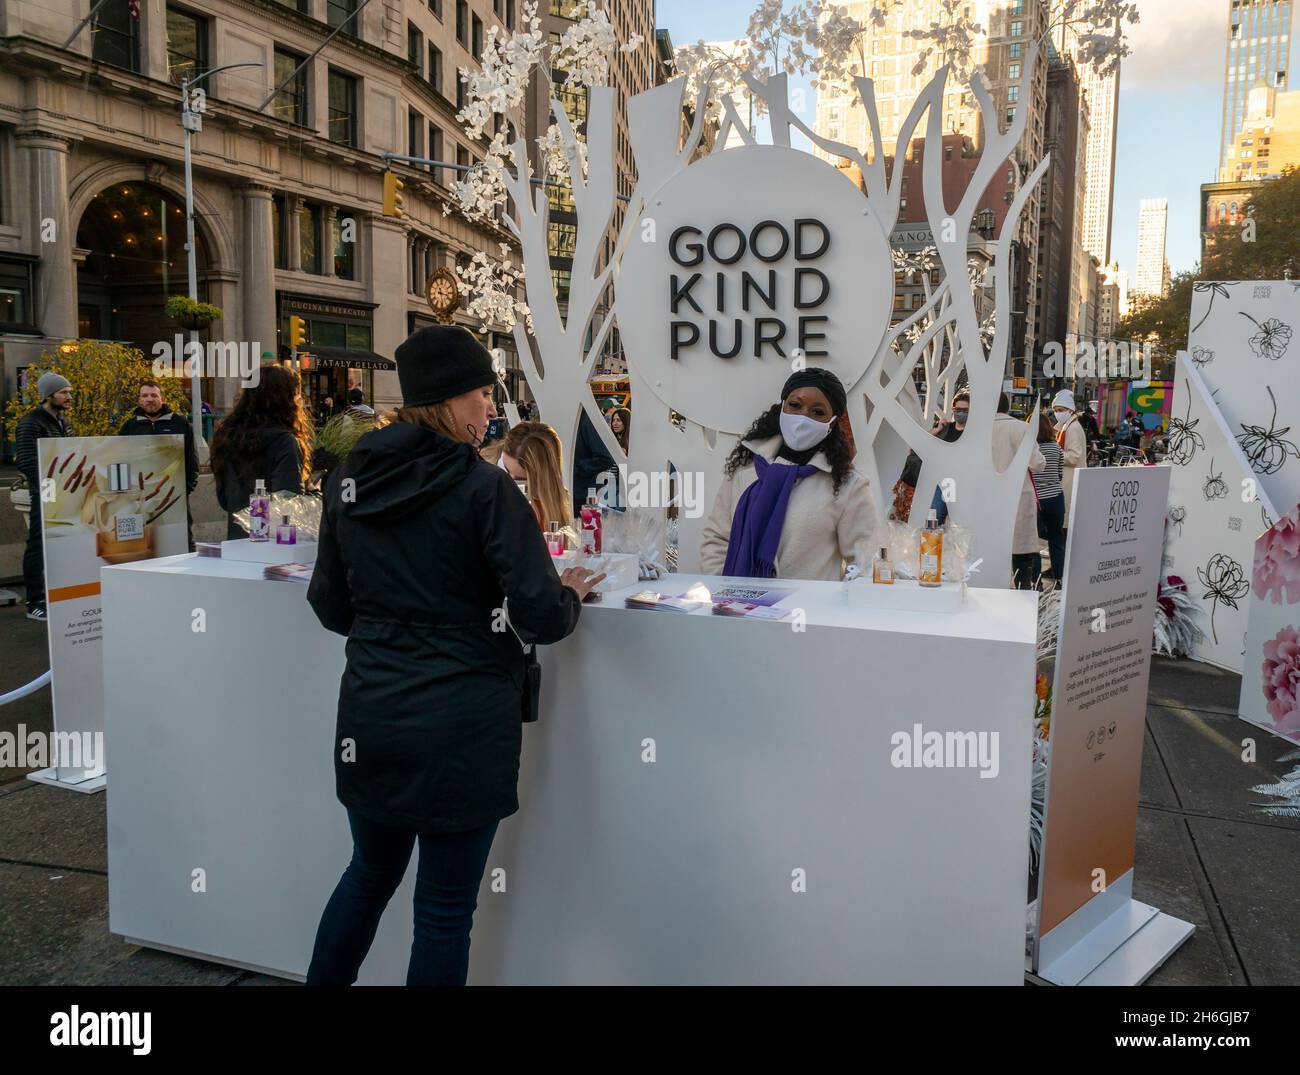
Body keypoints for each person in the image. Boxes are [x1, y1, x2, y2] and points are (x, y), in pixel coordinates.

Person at [304, 324, 602, 986]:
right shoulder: (484, 489)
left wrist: (388, 634)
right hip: (463, 727)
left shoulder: (350, 480)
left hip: (373, 717)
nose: (491, 408)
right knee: (443, 911)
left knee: (367, 875)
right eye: (480, 394)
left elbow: (329, 604)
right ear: (445, 399)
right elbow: (539, 614)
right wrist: (571, 595)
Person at [701, 368, 878, 581]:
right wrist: (723, 589)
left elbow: (864, 562)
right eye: (795, 405)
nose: (803, 417)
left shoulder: (847, 485)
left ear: (831, 424)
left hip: (810, 611)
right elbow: (717, 538)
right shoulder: (746, 467)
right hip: (737, 607)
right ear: (782, 406)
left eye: (818, 412)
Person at [210, 364, 312, 539]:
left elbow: (224, 499)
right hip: (273, 543)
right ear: (286, 398)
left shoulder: (226, 436)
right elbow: (288, 502)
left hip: (237, 539)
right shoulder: (284, 441)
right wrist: (315, 492)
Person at [15, 372, 72, 621]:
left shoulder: (63, 422)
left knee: (61, 544)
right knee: (38, 545)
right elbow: (27, 462)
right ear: (48, 395)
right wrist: (52, 486)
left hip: (65, 492)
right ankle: (34, 602)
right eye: (64, 392)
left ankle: (54, 595)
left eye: (69, 392)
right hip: (45, 492)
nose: (69, 396)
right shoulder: (31, 423)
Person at [118, 380, 200, 551]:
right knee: (143, 547)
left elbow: (192, 461)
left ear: (162, 398)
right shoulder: (130, 427)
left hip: (174, 498)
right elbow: (121, 461)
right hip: (138, 499)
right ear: (139, 400)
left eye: (154, 395)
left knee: (181, 544)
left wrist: (184, 489)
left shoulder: (180, 424)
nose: (149, 399)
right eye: (145, 395)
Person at [992, 393, 1045, 589]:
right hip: (1018, 498)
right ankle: (1021, 599)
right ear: (1007, 407)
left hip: (988, 500)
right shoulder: (1022, 428)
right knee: (1020, 558)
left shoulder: (978, 430)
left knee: (991, 553)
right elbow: (1038, 464)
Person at [495, 421, 572, 536]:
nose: (510, 481)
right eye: (505, 470)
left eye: (520, 479)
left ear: (541, 477)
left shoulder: (539, 512)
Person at [1032, 410, 1066, 584]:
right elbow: (1060, 473)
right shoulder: (1056, 448)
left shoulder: (1031, 449)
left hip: (1035, 499)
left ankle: (1036, 579)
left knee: (1033, 541)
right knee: (1056, 538)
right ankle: (1059, 577)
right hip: (1055, 498)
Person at [1052, 389, 1087, 534]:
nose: (1057, 413)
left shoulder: (1072, 428)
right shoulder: (1067, 426)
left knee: (1065, 520)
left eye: (1060, 410)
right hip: (1068, 478)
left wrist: (1054, 454)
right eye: (1055, 410)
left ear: (1070, 410)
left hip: (1070, 479)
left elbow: (1074, 457)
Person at [572, 408, 615, 515]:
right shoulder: (574, 417)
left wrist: (576, 469)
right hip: (571, 492)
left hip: (582, 495)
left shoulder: (585, 419)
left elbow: (606, 458)